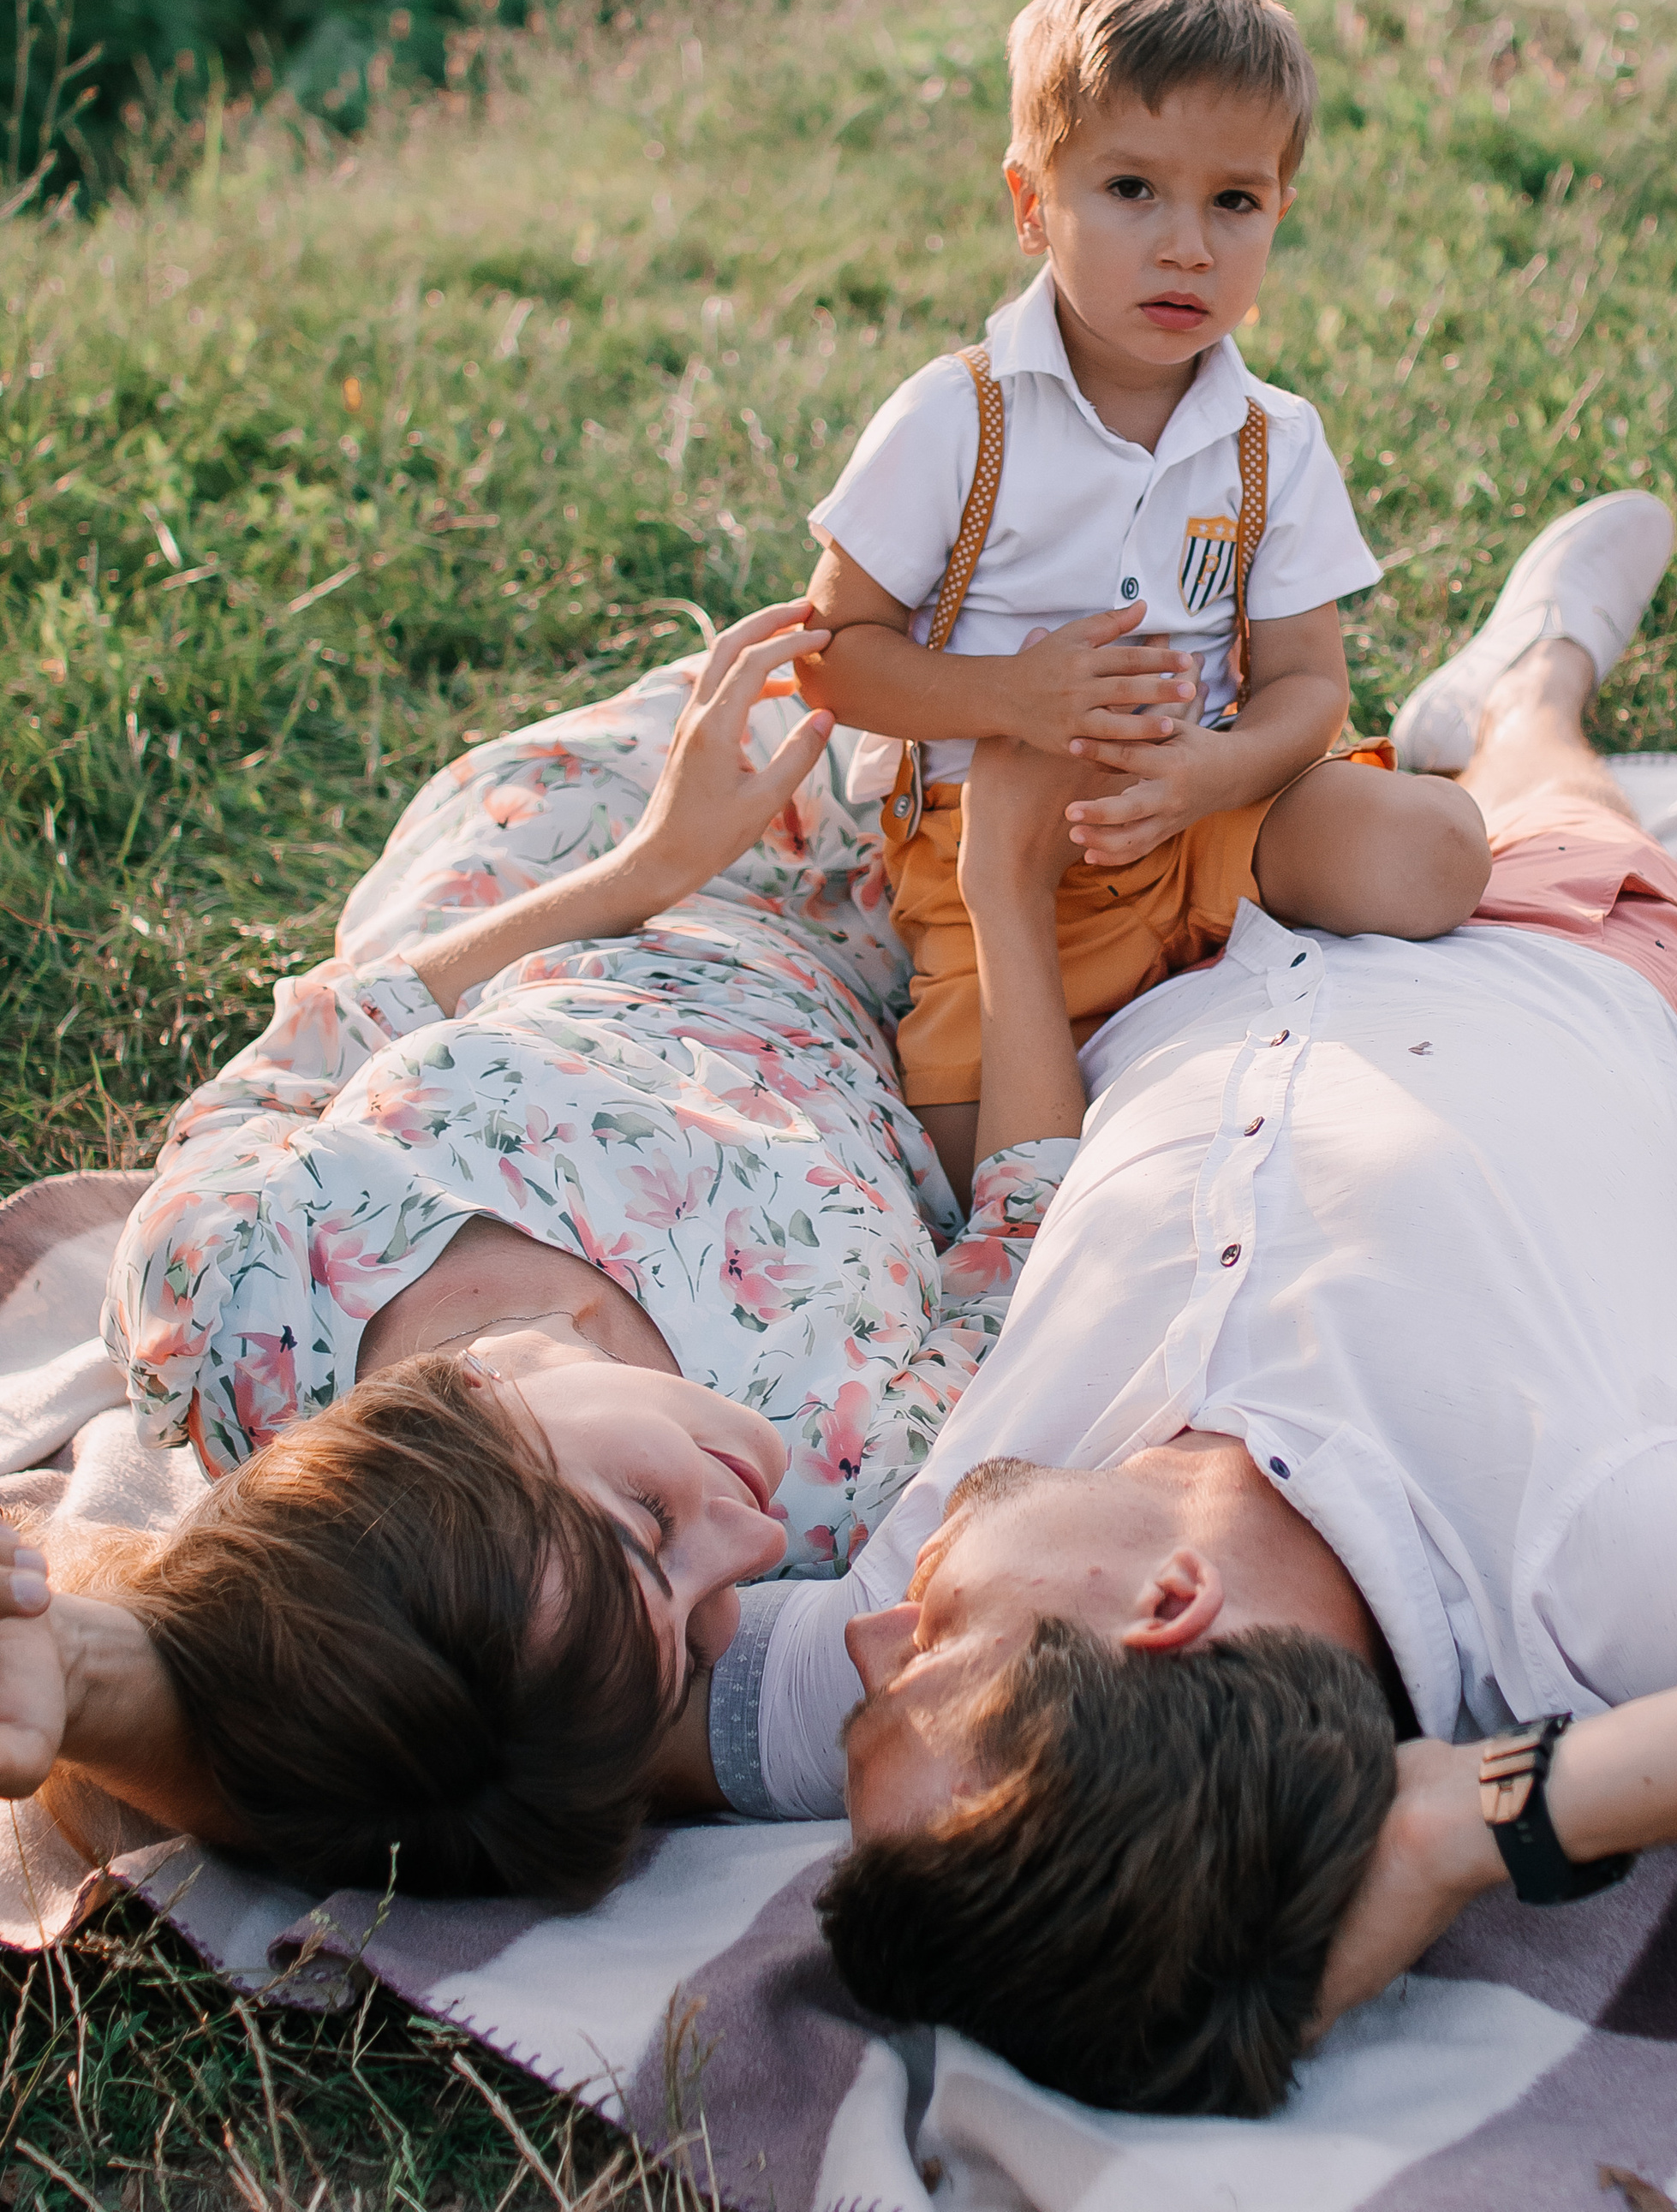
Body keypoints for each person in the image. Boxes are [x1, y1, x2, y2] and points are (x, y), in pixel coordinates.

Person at [689, 498, 1677, 2122]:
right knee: (1542, 775)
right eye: (926, 1656)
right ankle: (1534, 689)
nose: (854, 1627)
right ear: (1168, 1606)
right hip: (1558, 951)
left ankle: (1455, 726)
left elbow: (499, 1692)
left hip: (1178, 944)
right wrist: (1475, 1821)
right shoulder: (1575, 1564)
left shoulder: (964, 1595)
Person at [19, 603, 1072, 1893]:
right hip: (889, 941)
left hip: (571, 871)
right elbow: (1023, 1222)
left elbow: (330, 1036)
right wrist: (1004, 899)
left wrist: (650, 862)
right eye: (699, 1638)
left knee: (878, 615)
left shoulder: (233, 1303)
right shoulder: (838, 1471)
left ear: (467, 1402)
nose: (739, 1549)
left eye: (647, 1524)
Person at [797, 0, 1486, 1193]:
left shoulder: (1272, 439)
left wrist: (1211, 770)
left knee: (1437, 849)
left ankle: (1207, 959)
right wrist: (1008, 699)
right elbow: (836, 659)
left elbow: (1305, 687)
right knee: (969, 1165)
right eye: (1130, 188)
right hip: (1000, 850)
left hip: (1208, 810)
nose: (1187, 246)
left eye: (1236, 201)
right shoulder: (957, 419)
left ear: (1281, 207)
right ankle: (1065, 989)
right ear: (1030, 203)